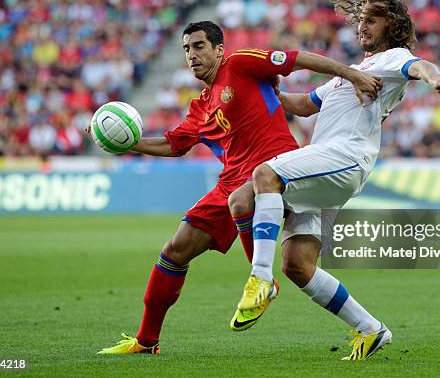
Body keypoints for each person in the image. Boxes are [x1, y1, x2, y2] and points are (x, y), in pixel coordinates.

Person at [97, 20, 382, 354]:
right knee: (175, 251)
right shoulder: (200, 107)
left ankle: (260, 280)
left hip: (277, 169)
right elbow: (173, 145)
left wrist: (353, 74)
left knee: (243, 202)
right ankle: (146, 342)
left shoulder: (241, 63)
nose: (192, 55)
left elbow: (298, 58)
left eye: (199, 46)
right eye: (187, 49)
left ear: (219, 49)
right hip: (230, 181)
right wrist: (127, 144)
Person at [229, 0, 440, 361]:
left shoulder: (392, 59)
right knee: (299, 266)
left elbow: (419, 65)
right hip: (329, 166)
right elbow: (304, 104)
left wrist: (435, 78)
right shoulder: (354, 72)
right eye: (360, 21)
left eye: (371, 20)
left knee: (264, 176)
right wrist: (263, 88)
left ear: (392, 25)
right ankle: (371, 329)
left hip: (344, 157)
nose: (362, 27)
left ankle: (260, 279)